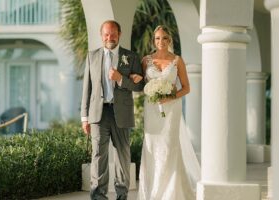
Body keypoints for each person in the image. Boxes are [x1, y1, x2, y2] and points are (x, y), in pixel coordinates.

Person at [132, 25, 201, 200]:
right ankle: (151, 191)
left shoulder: (177, 60)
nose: (160, 41)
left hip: (172, 110)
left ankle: (169, 193)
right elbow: (141, 85)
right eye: (157, 38)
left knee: (169, 146)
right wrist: (137, 80)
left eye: (163, 38)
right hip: (152, 109)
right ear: (153, 41)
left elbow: (186, 88)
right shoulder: (146, 60)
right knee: (152, 146)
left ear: (169, 40)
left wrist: (171, 97)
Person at [80, 20, 145, 200]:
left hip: (121, 114)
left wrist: (121, 79)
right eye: (106, 34)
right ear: (101, 36)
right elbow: (87, 88)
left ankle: (122, 195)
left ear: (119, 34)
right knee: (98, 155)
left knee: (122, 156)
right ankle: (98, 195)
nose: (110, 37)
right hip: (98, 114)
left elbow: (140, 87)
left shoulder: (130, 57)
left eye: (113, 34)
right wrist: (84, 117)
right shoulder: (92, 56)